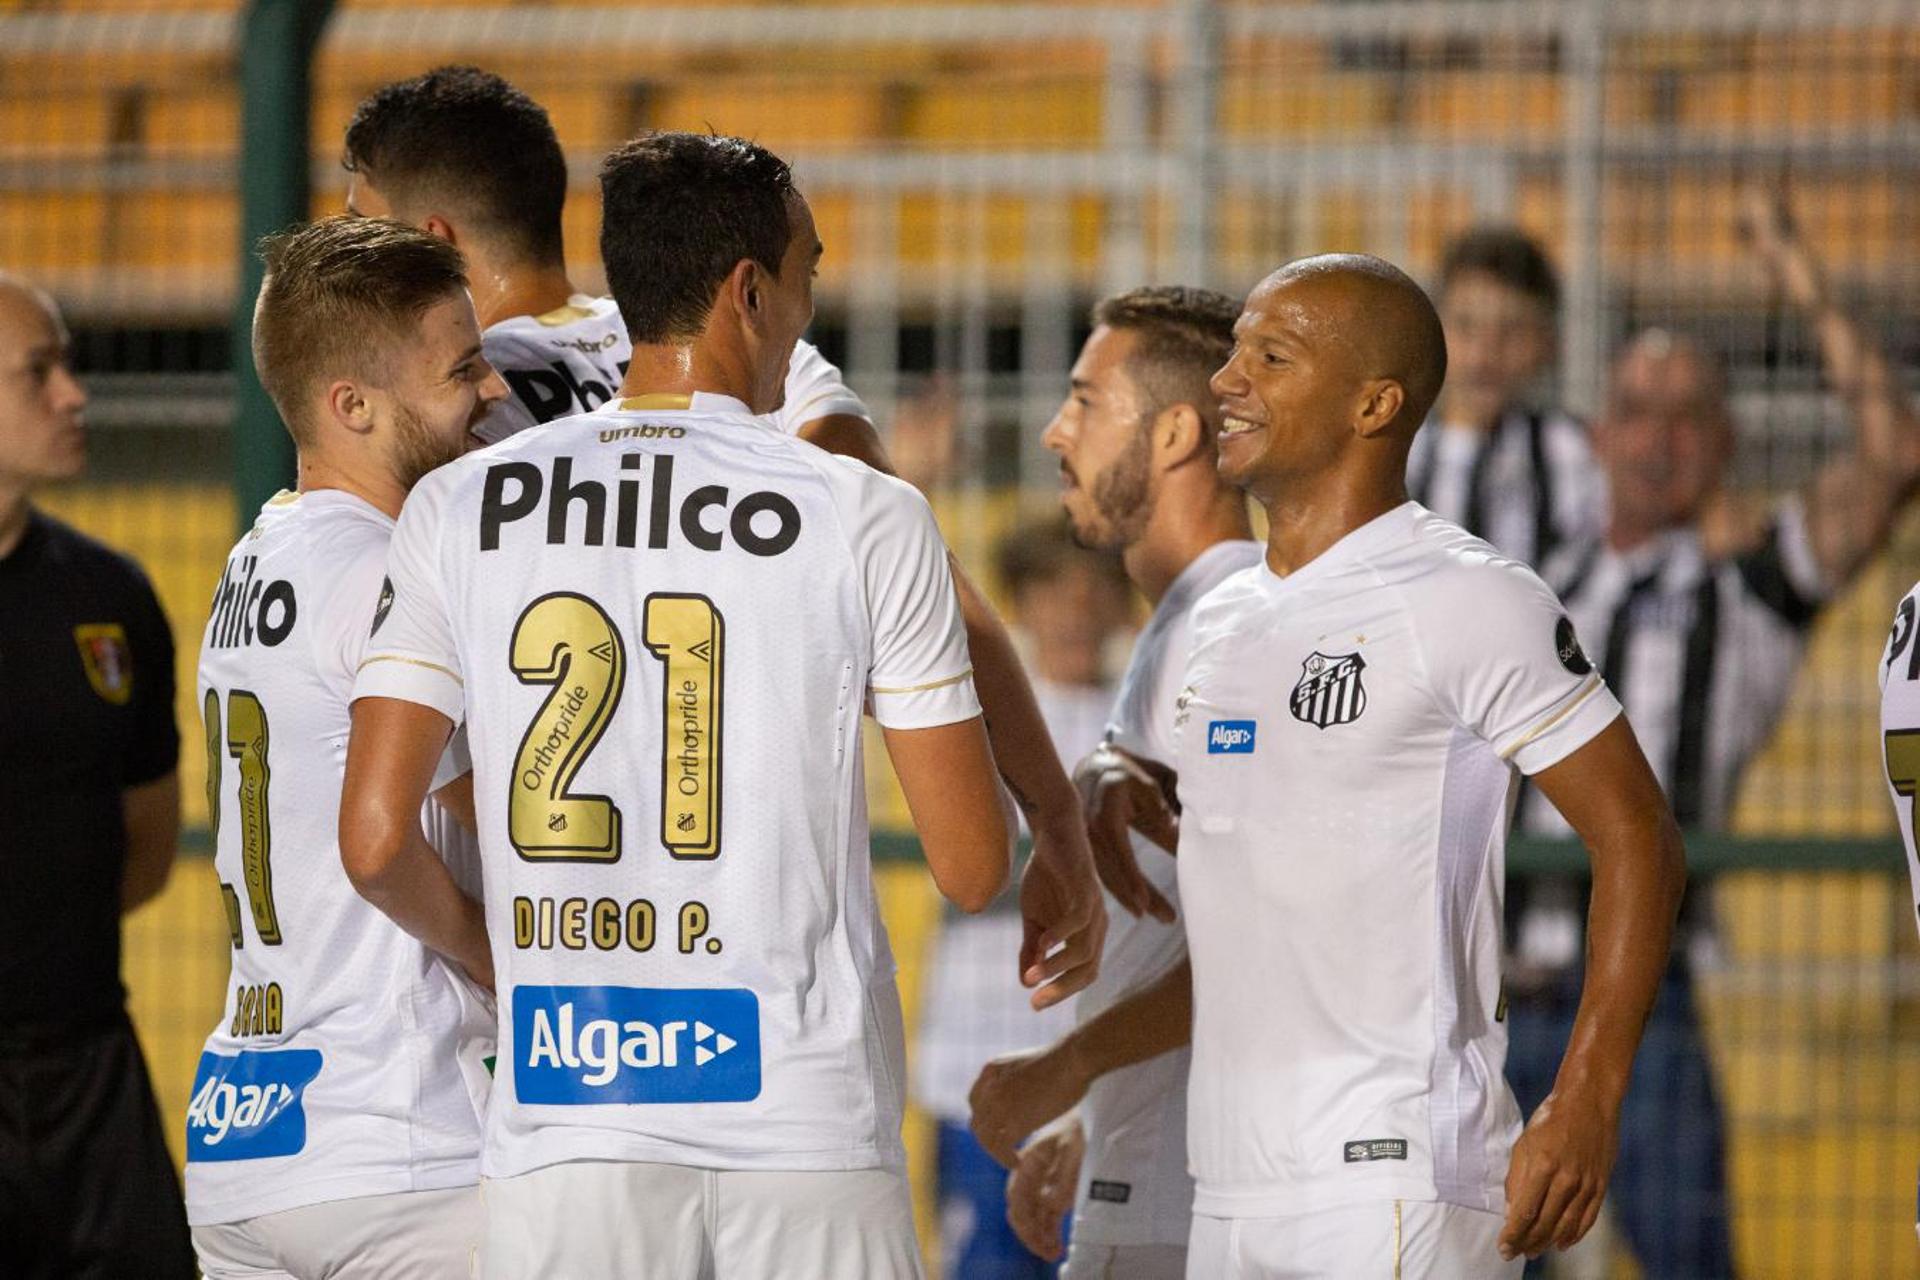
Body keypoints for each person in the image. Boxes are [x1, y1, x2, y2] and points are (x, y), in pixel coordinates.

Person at [337, 132, 1064, 1278]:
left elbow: (373, 837)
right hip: (801, 1112)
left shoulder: (457, 508)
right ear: (750, 292)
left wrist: (503, 956)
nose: (811, 306)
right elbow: (974, 868)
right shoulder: (863, 512)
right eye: (809, 275)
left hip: (568, 1114)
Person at [341, 66, 1105, 1004]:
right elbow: (935, 597)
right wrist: (1054, 811)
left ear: (432, 242)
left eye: (352, 224)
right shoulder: (762, 367)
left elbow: (410, 765)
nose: (339, 248)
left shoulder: (440, 422)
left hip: (523, 991)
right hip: (755, 960)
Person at [1154, 253, 1687, 1276]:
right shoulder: (1212, 616)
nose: (1226, 379)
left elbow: (1639, 835)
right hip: (1225, 1192)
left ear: (1375, 404)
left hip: (1392, 1188)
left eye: (1269, 355)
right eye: (1231, 354)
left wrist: (1585, 1096)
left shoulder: (1467, 595)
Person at [1508, 192, 1920, 1277]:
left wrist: (1793, 267)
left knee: (1693, 1259)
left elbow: (1891, 448)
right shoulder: (1528, 581)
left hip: (1650, 1003)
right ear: (1599, 435)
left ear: (1724, 444)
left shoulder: (1747, 596)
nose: (1659, 436)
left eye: (1688, 414)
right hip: (1488, 994)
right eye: (1638, 409)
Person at [183, 217, 507, 1277]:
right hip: (397, 1149)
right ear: (353, 406)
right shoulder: (387, 579)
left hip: (248, 1141)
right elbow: (466, 819)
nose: (495, 390)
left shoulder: (251, 564)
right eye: (462, 368)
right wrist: (489, 953)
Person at [967, 285, 1260, 1279]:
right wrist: (1095, 1121)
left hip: (1204, 1205)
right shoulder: (1180, 629)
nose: (1057, 430)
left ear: (1177, 432)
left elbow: (1267, 942)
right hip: (1153, 1177)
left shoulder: (1233, 632)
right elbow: (1179, 924)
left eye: (1086, 400)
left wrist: (1062, 1070)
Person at [0, 274, 194, 1279]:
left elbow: (146, 847)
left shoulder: (110, 598)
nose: (76, 393)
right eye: (41, 371)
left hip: (90, 1071)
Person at [915, 514, 1133, 1280]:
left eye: (1092, 589)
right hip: (978, 1063)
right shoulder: (972, 718)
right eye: (1052, 589)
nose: (1074, 607)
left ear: (1120, 603)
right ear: (1021, 603)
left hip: (1100, 1075)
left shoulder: (1142, 722)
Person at [1408, 227, 1601, 570]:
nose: (1485, 353)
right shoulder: (1396, 450)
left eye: (1511, 329)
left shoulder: (1579, 452)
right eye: (1466, 325)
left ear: (1547, 343)